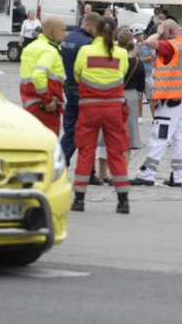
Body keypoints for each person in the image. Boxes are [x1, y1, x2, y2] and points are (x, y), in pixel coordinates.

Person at [71, 17, 131, 214]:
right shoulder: (121, 53)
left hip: (89, 109)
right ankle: (123, 201)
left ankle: (79, 200)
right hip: (114, 109)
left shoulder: (85, 51)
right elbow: (122, 74)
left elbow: (77, 75)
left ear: (95, 31)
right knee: (116, 152)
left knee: (86, 151)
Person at [131, 20, 182, 188]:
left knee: (159, 136)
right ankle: (178, 176)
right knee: (180, 139)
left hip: (169, 100)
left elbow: (148, 42)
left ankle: (148, 174)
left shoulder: (171, 46)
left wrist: (159, 32)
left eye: (163, 32)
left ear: (169, 31)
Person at [60, 12, 102, 185]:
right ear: (89, 26)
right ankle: (88, 173)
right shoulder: (88, 43)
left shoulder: (67, 39)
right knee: (89, 134)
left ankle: (60, 164)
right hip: (84, 92)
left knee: (69, 131)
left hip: (69, 89)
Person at [19, 17, 67, 135]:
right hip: (46, 110)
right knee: (49, 148)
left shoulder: (30, 47)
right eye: (62, 31)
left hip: (30, 106)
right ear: (51, 32)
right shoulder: (49, 50)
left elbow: (28, 76)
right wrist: (48, 101)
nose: (65, 35)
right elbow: (38, 75)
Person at [118, 31, 146, 158]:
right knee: (129, 135)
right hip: (132, 97)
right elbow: (141, 86)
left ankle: (107, 167)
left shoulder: (115, 60)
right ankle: (123, 166)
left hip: (115, 95)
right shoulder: (138, 63)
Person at [132, 24, 157, 122]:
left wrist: (140, 59)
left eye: (140, 34)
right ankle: (140, 117)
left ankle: (153, 117)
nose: (139, 36)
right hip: (138, 75)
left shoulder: (148, 44)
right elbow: (133, 57)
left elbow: (152, 57)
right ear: (134, 36)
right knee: (139, 97)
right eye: (137, 35)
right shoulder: (134, 46)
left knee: (151, 97)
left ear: (143, 34)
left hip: (149, 74)